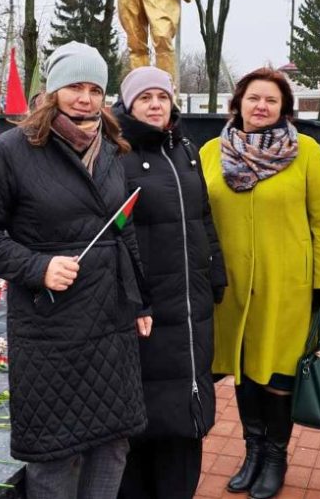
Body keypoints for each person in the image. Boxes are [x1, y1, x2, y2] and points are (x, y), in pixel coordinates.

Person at [0, 42, 154, 499]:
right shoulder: (11, 151)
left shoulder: (112, 150)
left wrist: (141, 300)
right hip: (50, 328)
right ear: (53, 91)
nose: (85, 99)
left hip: (110, 324)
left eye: (95, 89)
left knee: (113, 444)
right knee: (54, 455)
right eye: (74, 87)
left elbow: (122, 229)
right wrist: (38, 266)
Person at [200, 67, 320, 499]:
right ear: (238, 103)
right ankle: (252, 452)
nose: (261, 106)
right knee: (245, 372)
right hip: (230, 285)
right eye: (253, 98)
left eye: (271, 100)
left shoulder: (306, 151)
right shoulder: (211, 151)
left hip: (287, 284)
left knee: (278, 375)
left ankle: (275, 457)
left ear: (284, 108)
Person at [112, 66, 227, 499]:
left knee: (186, 402)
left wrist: (215, 270)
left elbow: (202, 216)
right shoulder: (115, 153)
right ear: (129, 105)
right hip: (146, 303)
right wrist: (132, 295)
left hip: (191, 299)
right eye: (145, 98)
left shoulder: (185, 148)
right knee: (146, 407)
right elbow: (115, 234)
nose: (156, 105)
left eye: (162, 96)